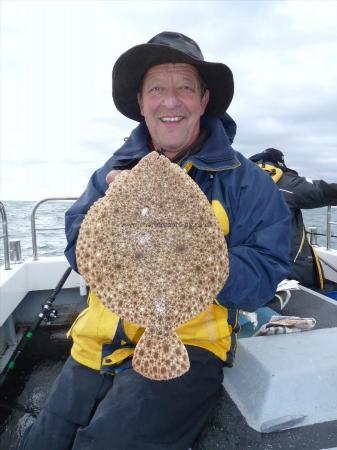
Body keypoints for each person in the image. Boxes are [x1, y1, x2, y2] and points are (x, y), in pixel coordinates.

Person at [21, 32, 291, 450]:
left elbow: (264, 273)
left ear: (203, 100)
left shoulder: (247, 182)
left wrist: (188, 258)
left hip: (189, 346)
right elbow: (77, 243)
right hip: (96, 345)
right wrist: (111, 217)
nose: (170, 100)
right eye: (157, 89)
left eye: (184, 87)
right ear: (142, 103)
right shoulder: (112, 172)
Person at [250, 147, 337, 290]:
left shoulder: (239, 182)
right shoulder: (286, 183)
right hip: (289, 273)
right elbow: (322, 191)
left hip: (252, 267)